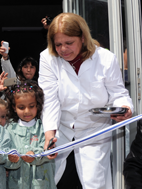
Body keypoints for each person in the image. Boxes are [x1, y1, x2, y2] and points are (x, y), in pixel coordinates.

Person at [38, 12, 133, 189]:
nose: (63, 49)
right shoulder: (48, 58)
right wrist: (50, 136)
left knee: (95, 184)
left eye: (69, 43)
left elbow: (118, 93)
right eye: (58, 44)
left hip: (94, 131)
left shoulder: (105, 58)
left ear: (82, 38)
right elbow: (49, 99)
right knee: (52, 180)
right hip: (62, 130)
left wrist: (124, 108)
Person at [5, 80, 56, 189]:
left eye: (31, 106)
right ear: (14, 107)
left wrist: (35, 155)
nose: (27, 111)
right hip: (17, 183)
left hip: (41, 183)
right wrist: (11, 158)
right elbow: (4, 153)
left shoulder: (45, 128)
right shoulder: (9, 129)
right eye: (21, 107)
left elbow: (50, 153)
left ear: (38, 105)